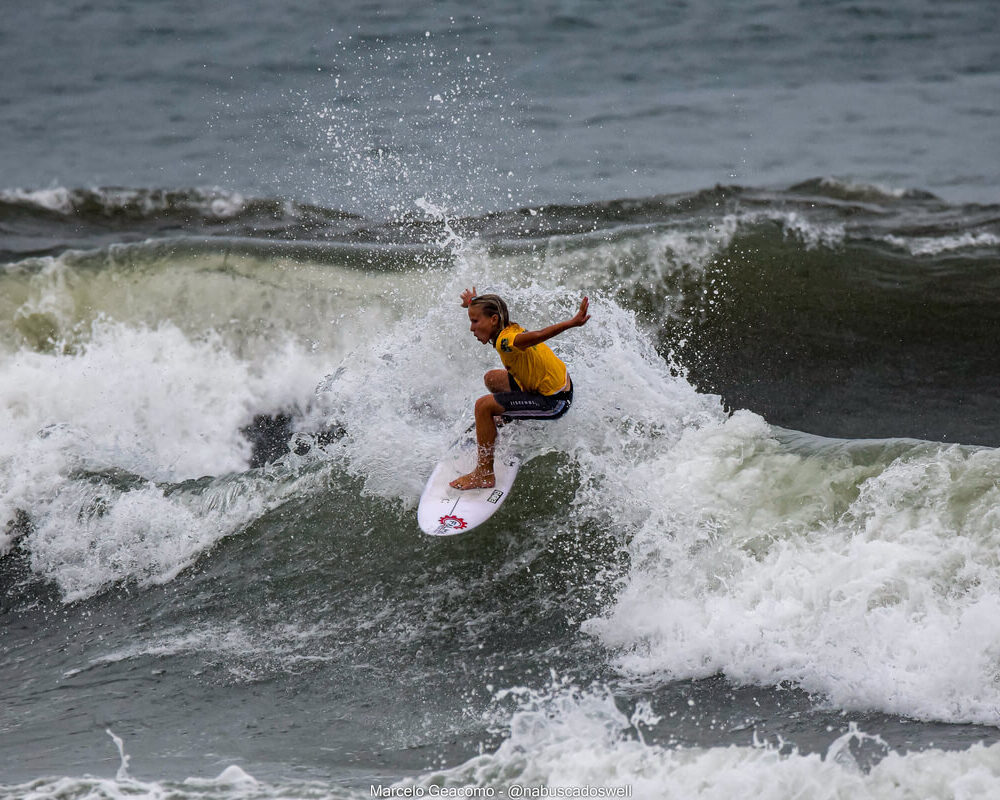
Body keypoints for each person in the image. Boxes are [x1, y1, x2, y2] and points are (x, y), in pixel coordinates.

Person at [450, 287, 590, 490]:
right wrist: (472, 301)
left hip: (554, 400)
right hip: (550, 384)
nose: (471, 328)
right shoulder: (506, 328)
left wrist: (572, 322)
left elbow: (538, 335)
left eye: (475, 321)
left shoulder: (506, 341)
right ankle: (507, 419)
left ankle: (484, 474)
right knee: (492, 379)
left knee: (483, 406)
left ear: (494, 320)